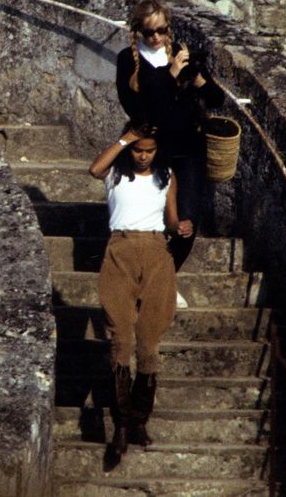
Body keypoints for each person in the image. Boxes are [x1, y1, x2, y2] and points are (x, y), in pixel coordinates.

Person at [88, 122, 192, 463]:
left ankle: (138, 421)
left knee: (149, 342)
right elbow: (94, 168)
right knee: (121, 339)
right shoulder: (115, 174)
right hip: (121, 249)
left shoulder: (166, 176)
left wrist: (181, 227)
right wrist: (123, 140)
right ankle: (120, 425)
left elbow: (172, 218)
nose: (143, 156)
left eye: (149, 150)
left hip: (156, 252)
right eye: (138, 149)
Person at [115, 0, 224, 275]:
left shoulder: (179, 52)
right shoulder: (127, 60)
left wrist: (199, 80)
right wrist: (171, 74)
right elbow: (139, 108)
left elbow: (216, 98)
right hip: (151, 148)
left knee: (187, 222)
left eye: (161, 31)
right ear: (138, 31)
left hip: (187, 149)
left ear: (168, 29)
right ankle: (144, 276)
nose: (155, 38)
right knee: (150, 218)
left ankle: (163, 276)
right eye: (149, 32)